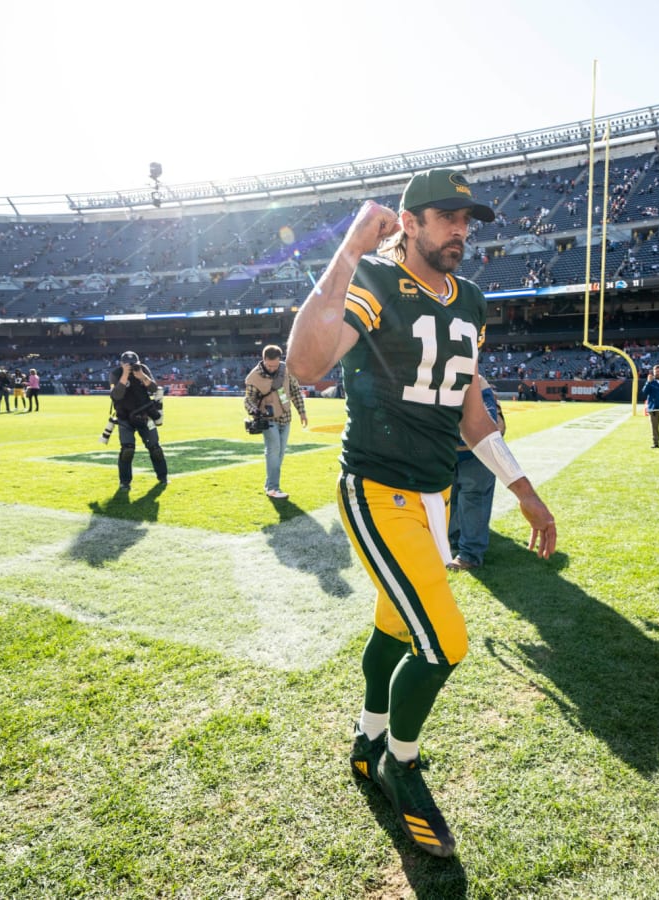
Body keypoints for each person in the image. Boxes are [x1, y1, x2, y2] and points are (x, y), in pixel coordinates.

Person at [286, 168, 556, 858]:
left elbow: (470, 410)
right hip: (377, 488)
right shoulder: (375, 282)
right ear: (408, 222)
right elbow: (307, 365)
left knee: (396, 625)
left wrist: (521, 487)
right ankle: (397, 766)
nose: (461, 231)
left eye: (468, 220)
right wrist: (348, 251)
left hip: (434, 495)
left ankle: (369, 737)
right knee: (444, 641)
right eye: (446, 217)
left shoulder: (470, 299)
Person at [447, 375, 504, 571]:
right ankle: (455, 543)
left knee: (474, 498)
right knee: (451, 499)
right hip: (449, 455)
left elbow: (490, 427)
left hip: (478, 454)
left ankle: (470, 553)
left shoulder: (476, 383)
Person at [243, 344, 307, 499]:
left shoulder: (286, 370)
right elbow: (247, 400)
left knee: (279, 454)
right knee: (273, 452)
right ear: (263, 359)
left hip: (286, 417)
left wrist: (302, 412)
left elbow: (295, 391)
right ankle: (273, 489)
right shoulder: (253, 377)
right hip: (268, 419)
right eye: (269, 365)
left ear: (280, 360)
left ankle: (269, 485)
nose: (272, 368)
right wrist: (255, 411)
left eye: (275, 365)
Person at [109, 350, 168, 490]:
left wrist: (142, 376)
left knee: (155, 448)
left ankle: (163, 477)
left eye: (134, 364)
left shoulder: (143, 369)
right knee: (127, 450)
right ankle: (124, 482)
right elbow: (115, 396)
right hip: (124, 417)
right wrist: (124, 375)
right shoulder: (115, 374)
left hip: (145, 415)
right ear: (122, 364)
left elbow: (155, 390)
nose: (131, 367)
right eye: (128, 364)